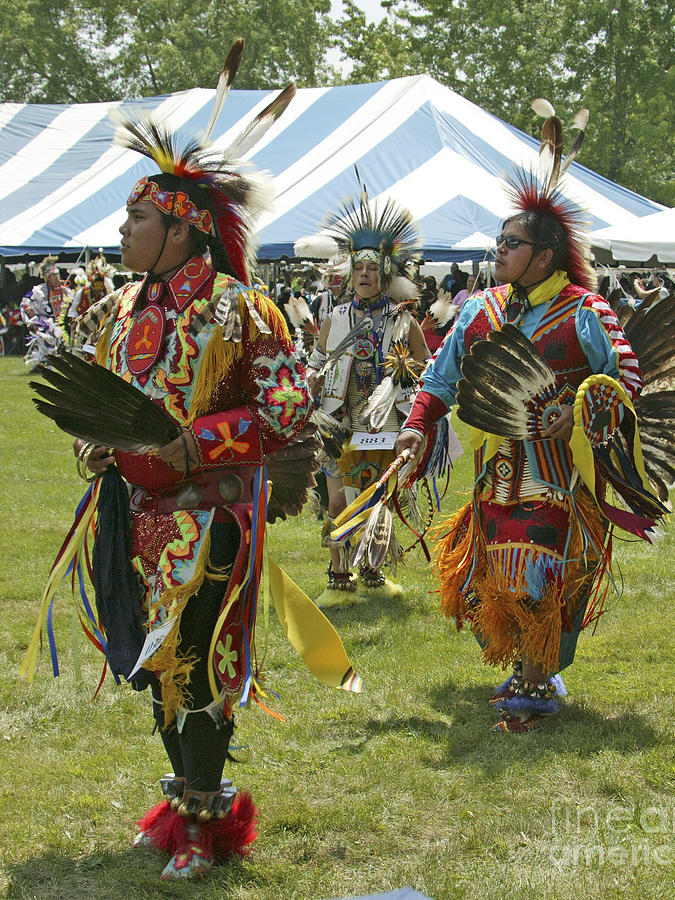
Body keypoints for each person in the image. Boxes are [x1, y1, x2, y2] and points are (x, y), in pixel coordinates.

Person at [21, 47, 362, 881]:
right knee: (148, 658)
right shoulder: (120, 309)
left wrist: (192, 443)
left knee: (200, 657)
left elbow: (285, 409)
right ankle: (181, 801)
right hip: (127, 516)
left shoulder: (243, 309)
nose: (121, 232)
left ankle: (207, 827)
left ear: (183, 227)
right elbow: (101, 400)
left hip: (210, 519)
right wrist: (97, 443)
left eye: (135, 220)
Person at [394, 102, 675, 734]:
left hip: (561, 474)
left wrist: (577, 412)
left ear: (545, 256)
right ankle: (528, 663)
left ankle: (533, 682)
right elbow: (441, 375)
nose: (498, 251)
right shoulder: (480, 309)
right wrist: (418, 425)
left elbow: (626, 382)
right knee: (493, 573)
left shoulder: (585, 313)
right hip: (496, 469)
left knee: (538, 570)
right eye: (498, 242)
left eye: (511, 243)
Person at [297, 192, 430, 605]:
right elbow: (318, 359)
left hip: (384, 423)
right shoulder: (336, 318)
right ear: (350, 274)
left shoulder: (401, 318)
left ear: (385, 273)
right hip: (338, 419)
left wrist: (406, 375)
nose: (365, 275)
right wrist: (313, 379)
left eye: (373, 268)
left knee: (375, 495)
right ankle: (339, 580)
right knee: (337, 497)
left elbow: (428, 366)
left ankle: (372, 570)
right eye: (359, 268)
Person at [20, 255, 70, 368]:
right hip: (43, 320)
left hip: (61, 321)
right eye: (54, 275)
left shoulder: (65, 290)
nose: (57, 277)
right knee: (47, 331)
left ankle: (59, 359)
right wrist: (32, 317)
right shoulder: (39, 290)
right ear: (47, 277)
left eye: (58, 274)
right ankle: (45, 361)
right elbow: (25, 302)